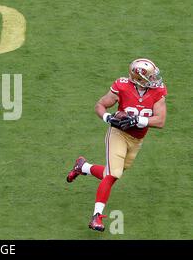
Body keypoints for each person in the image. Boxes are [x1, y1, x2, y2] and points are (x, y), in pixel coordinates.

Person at [66, 58, 167, 232]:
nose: (154, 79)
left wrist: (137, 120)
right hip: (118, 134)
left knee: (110, 173)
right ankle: (96, 216)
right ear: (139, 77)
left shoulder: (157, 91)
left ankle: (83, 167)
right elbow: (101, 105)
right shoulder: (122, 86)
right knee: (114, 174)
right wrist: (108, 118)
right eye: (150, 76)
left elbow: (160, 121)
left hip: (137, 140)